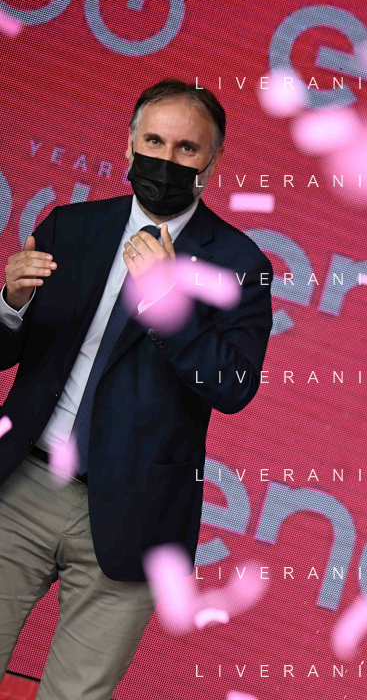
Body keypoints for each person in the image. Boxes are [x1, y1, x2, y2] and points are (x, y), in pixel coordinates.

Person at [0, 79, 274, 699]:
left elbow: (233, 387)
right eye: (153, 141)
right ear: (128, 144)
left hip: (137, 516)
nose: (166, 159)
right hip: (19, 490)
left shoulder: (240, 264)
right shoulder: (71, 228)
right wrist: (9, 302)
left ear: (212, 162)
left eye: (186, 149)